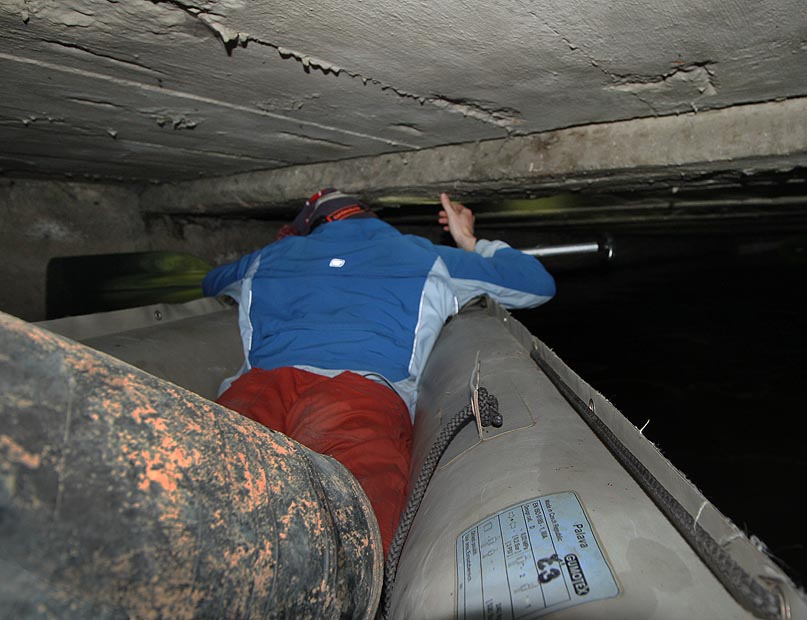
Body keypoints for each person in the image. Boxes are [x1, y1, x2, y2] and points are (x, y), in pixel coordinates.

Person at [202, 189, 555, 554]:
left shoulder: (269, 257)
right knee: (346, 538)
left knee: (201, 495)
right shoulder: (424, 254)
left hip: (259, 388)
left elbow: (212, 283)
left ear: (313, 225)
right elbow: (535, 284)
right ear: (369, 215)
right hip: (359, 394)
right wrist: (468, 239)